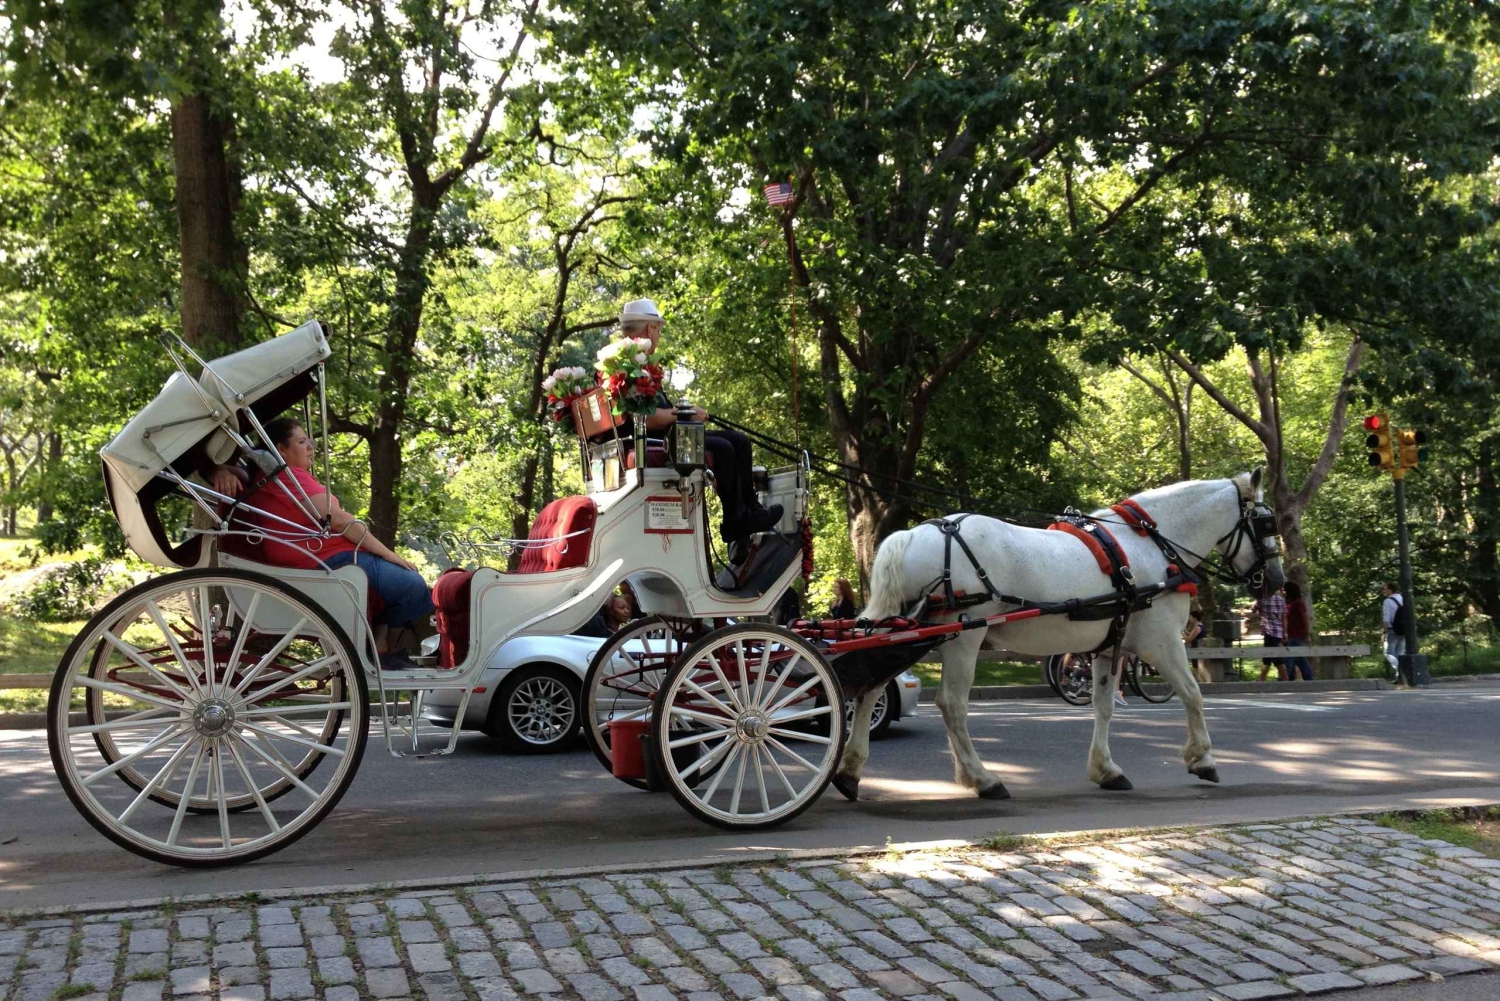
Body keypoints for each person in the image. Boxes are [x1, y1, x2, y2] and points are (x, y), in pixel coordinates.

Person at [229, 418, 434, 670]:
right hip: (318, 558)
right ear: (281, 449)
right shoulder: (287, 476)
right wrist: (389, 554)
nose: (310, 447)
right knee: (410, 583)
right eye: (302, 441)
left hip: (319, 555)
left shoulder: (274, 477)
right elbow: (338, 521)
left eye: (309, 441)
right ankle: (388, 650)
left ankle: (382, 644)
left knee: (396, 584)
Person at [615, 299, 782, 545]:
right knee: (723, 449)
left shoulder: (635, 363)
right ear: (650, 329)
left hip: (666, 436)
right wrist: (687, 413)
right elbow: (647, 419)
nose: (659, 336)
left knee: (739, 440)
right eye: (658, 330)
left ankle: (750, 512)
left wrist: (684, 413)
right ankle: (735, 521)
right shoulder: (629, 366)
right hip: (658, 441)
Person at [1253, 588, 1287, 682]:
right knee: (1272, 658)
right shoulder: (1281, 599)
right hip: (1278, 631)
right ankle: (1262, 680)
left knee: (1274, 659)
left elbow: (1253, 609)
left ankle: (1285, 681)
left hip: (1269, 631)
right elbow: (1284, 616)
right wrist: (1285, 632)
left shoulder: (1262, 599)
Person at [1282, 582, 1314, 681]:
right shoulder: (1288, 603)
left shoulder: (1299, 603)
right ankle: (1308, 678)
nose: (1283, 592)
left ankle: (1284, 679)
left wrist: (1307, 634)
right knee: (1300, 658)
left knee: (1289, 657)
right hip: (1290, 634)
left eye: (1285, 590)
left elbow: (1305, 618)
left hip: (1297, 634)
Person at [1382, 582, 1406, 683]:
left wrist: (1384, 632)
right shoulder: (1403, 598)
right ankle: (1399, 677)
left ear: (1390, 589)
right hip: (1404, 629)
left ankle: (1400, 670)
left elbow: (1386, 619)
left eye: (1384, 589)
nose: (1383, 591)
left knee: (1388, 652)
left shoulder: (1387, 601)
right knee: (1400, 653)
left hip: (1392, 630)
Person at [1183, 608, 1210, 684]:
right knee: (1196, 668)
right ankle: (1202, 684)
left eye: (1190, 617)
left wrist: (1181, 633)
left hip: (1198, 650)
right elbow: (1191, 636)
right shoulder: (1199, 627)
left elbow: (1189, 639)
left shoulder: (1197, 628)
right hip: (1197, 649)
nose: (1189, 619)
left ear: (1194, 618)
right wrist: (1185, 631)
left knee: (1199, 668)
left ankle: (1207, 683)